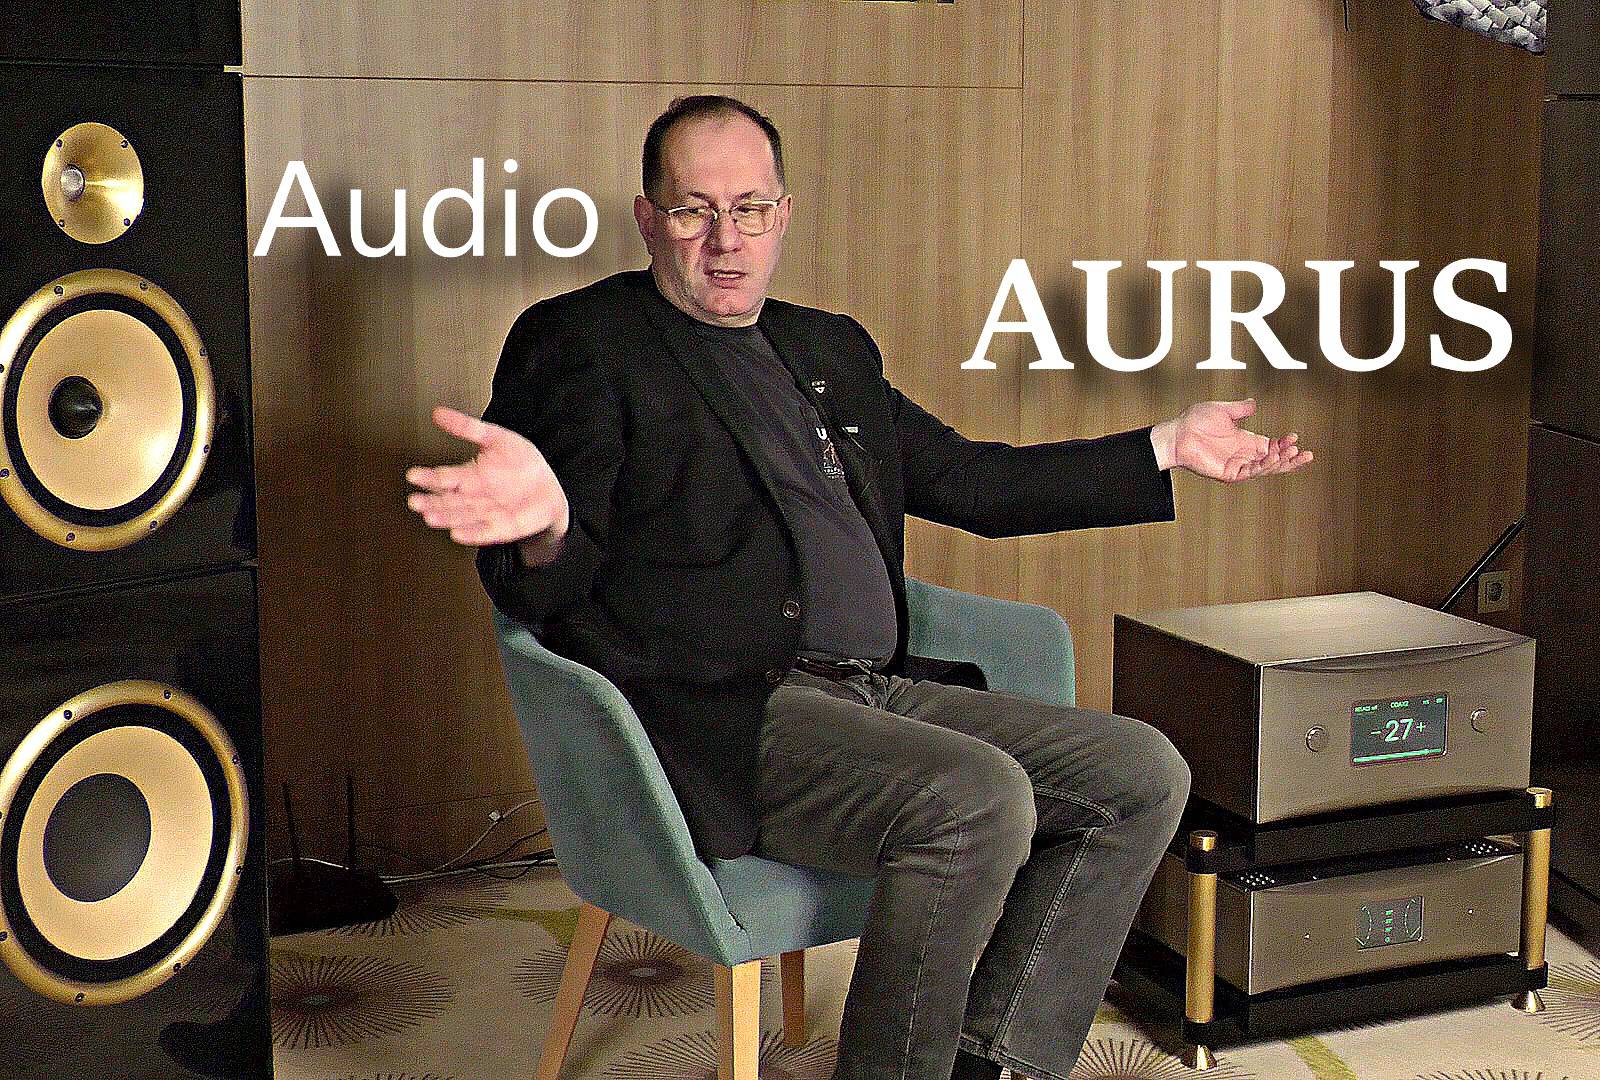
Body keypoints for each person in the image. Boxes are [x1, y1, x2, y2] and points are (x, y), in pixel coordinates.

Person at [406, 95, 1312, 1080]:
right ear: (647, 218)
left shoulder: (830, 348)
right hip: (717, 719)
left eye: (750, 209)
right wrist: (544, 524)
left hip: (868, 693)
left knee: (1141, 772)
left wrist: (1164, 446)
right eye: (694, 210)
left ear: (783, 215)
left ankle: (995, 1061)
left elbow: (973, 482)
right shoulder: (582, 342)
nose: (725, 240)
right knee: (976, 799)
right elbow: (544, 594)